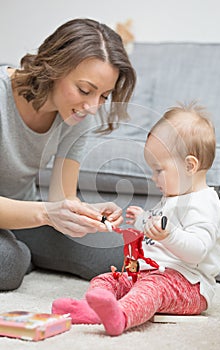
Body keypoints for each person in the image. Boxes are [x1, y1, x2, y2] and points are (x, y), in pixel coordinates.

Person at [52, 102, 220, 336]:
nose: (154, 177)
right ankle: (93, 310)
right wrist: (141, 222)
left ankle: (121, 317)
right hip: (149, 273)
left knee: (152, 289)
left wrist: (170, 235)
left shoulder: (203, 203)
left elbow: (197, 252)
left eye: (159, 170)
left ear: (189, 165)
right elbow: (156, 232)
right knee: (109, 279)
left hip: (189, 285)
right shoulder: (173, 197)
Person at [0, 18, 136, 291]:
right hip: (29, 216)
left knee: (117, 256)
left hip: (25, 217)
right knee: (7, 264)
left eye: (103, 96)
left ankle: (21, 248)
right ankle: (21, 254)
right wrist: (47, 214)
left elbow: (61, 198)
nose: (92, 107)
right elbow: (49, 211)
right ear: (54, 68)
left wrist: (84, 214)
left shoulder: (78, 115)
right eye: (85, 90)